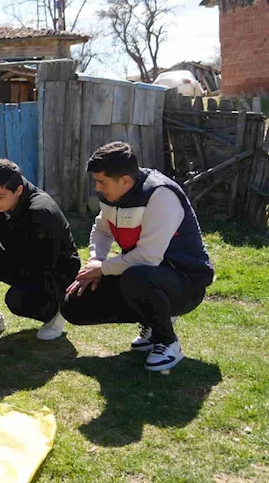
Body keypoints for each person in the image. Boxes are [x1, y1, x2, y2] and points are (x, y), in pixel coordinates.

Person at [62, 142, 214, 371]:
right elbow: (102, 230)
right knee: (73, 304)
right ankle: (153, 320)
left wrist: (102, 269)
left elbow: (147, 257)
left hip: (186, 284)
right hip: (145, 274)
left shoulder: (160, 194)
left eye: (102, 182)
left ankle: (168, 342)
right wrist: (96, 259)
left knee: (137, 277)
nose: (97, 189)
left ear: (124, 180)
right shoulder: (112, 195)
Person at [0, 159, 80, 340]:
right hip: (21, 259)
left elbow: (40, 266)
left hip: (53, 272)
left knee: (17, 300)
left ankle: (56, 310)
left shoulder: (41, 211)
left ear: (18, 190)